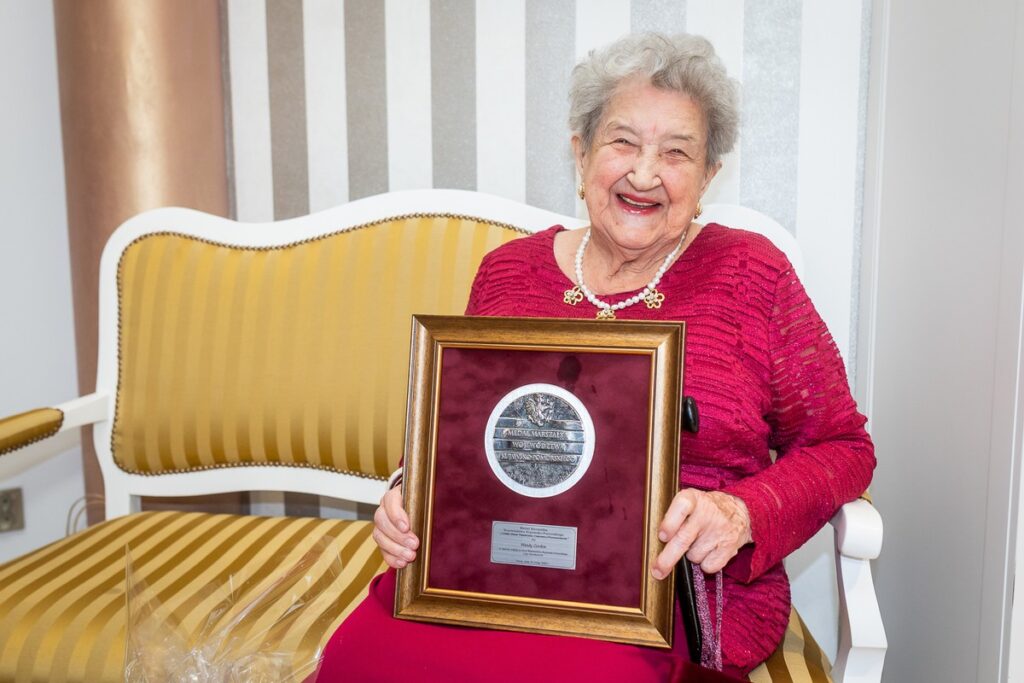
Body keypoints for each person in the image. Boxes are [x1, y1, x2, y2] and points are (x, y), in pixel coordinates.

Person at [318, 32, 874, 681]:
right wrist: (405, 493)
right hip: (489, 580)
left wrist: (743, 512)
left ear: (707, 177)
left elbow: (843, 446)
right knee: (365, 661)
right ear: (581, 155)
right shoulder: (507, 275)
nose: (644, 174)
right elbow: (462, 441)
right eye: (623, 142)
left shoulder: (753, 274)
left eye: (676, 153)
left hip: (661, 600)